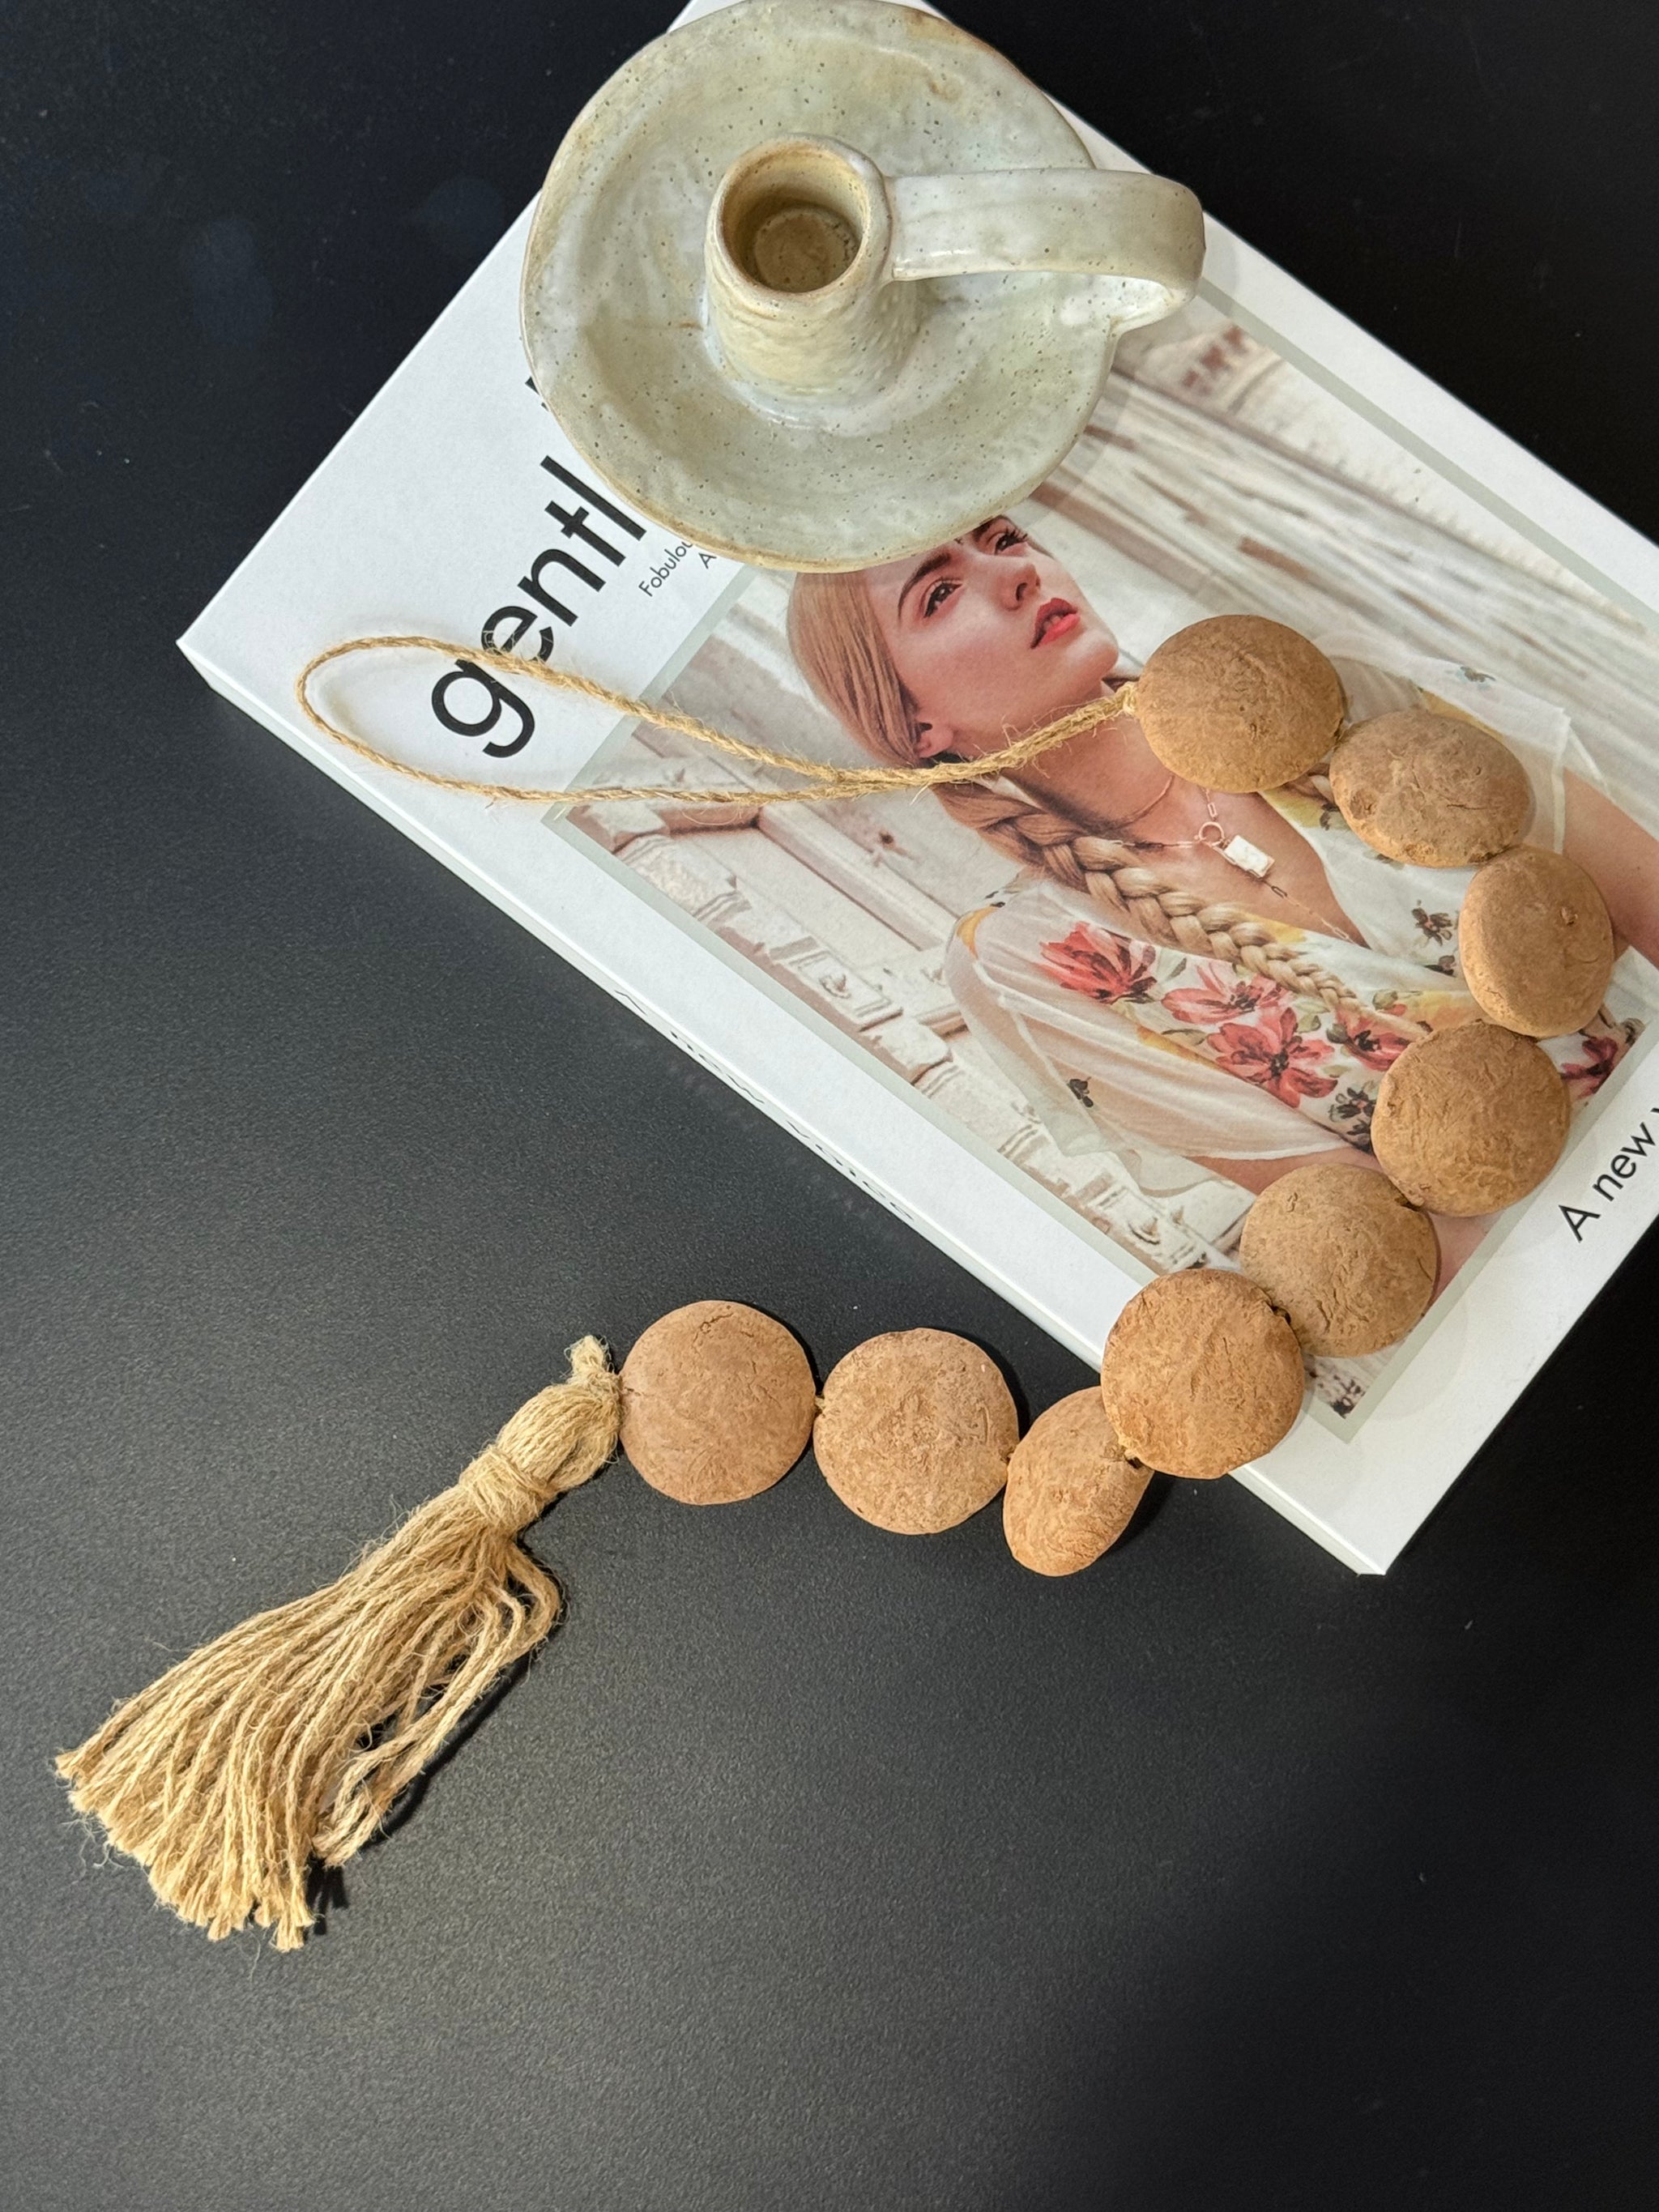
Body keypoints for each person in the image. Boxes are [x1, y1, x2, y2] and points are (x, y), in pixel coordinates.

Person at [788, 518, 1655, 1268]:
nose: (1016, 574)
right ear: (915, 726)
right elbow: (1392, 1239)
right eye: (939, 594)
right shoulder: (1032, 961)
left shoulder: (1313, 689)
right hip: (1560, 1265)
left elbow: (1645, 894)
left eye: (1005, 538)